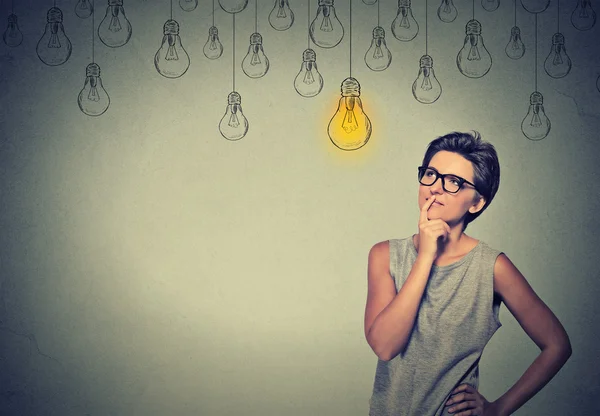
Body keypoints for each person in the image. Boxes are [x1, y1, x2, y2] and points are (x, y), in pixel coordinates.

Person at [364, 131, 572, 416]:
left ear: (476, 203)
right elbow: (385, 347)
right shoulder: (384, 255)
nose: (435, 187)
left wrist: (497, 409)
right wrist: (425, 256)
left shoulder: (492, 267)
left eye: (453, 182)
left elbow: (557, 345)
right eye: (431, 174)